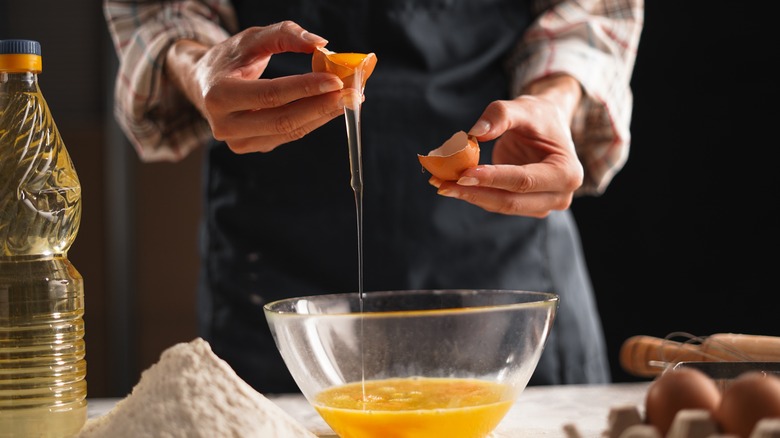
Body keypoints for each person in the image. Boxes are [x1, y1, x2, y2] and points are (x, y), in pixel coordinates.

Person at [103, 0, 644, 393]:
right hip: (276, 287)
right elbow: (159, 12)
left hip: (503, 285)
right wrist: (194, 62)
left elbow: (592, 12)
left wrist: (554, 97)